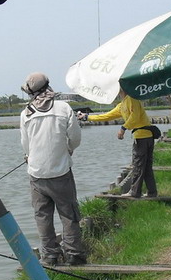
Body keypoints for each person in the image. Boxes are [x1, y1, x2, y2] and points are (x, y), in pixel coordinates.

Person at [20, 72, 87, 266]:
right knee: (69, 213)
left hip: (36, 175)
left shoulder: (26, 113)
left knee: (42, 216)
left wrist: (30, 157)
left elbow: (25, 145)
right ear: (48, 86)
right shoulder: (63, 107)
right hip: (61, 173)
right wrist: (68, 149)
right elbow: (75, 138)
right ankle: (74, 254)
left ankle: (50, 255)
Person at [77, 88, 157, 199]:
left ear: (121, 89)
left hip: (142, 138)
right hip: (145, 137)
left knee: (138, 165)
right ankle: (152, 192)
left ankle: (135, 192)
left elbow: (135, 116)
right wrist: (86, 117)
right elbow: (106, 116)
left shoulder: (132, 99)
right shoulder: (121, 105)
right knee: (146, 166)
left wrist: (123, 128)